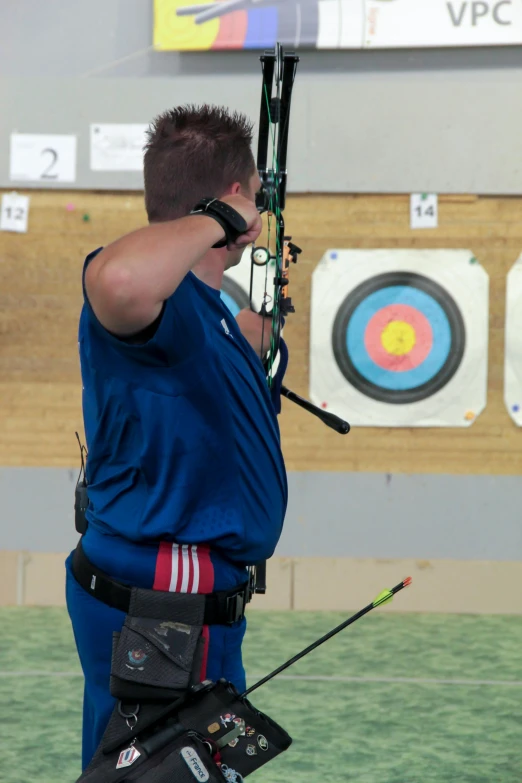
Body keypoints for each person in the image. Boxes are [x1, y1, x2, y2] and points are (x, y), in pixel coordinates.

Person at [65, 105, 288, 771]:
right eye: (252, 195)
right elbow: (121, 277)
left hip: (183, 591)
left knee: (135, 764)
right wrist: (224, 214)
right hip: (167, 590)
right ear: (234, 200)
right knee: (161, 768)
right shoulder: (143, 292)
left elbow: (219, 349)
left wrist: (260, 339)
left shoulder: (210, 312)